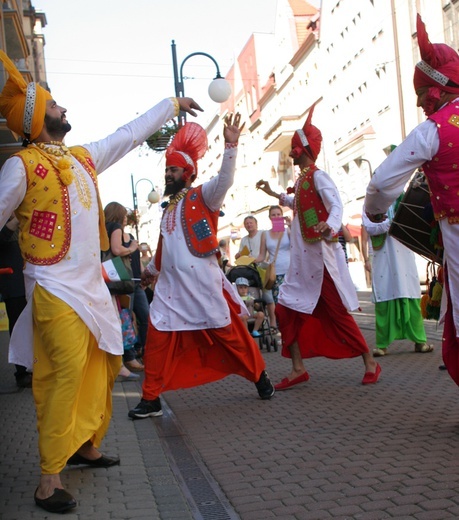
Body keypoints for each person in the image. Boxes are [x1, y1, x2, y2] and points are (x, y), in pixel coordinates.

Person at [0, 49, 202, 513]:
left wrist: (171, 106)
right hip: (53, 288)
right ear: (34, 118)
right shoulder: (20, 165)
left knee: (106, 367)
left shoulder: (84, 158)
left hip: (91, 289)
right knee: (64, 374)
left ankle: (84, 445)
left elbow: (129, 136)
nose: (63, 108)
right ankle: (49, 478)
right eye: (54, 105)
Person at [128, 117, 275, 420]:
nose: (169, 174)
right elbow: (162, 250)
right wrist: (149, 275)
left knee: (231, 336)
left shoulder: (203, 196)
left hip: (202, 285)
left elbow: (225, 180)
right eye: (167, 169)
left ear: (188, 172)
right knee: (156, 338)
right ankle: (151, 398)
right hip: (170, 289)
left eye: (174, 169)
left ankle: (260, 377)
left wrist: (231, 145)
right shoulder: (167, 208)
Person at [255, 102, 381, 390]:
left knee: (337, 314)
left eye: (295, 147)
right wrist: (272, 193)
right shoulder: (301, 183)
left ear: (304, 150)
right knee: (286, 312)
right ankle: (298, 368)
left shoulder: (319, 177)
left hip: (321, 262)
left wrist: (332, 224)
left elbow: (336, 204)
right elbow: (294, 202)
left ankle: (370, 362)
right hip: (302, 266)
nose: (291, 152)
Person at [365, 14, 459, 385]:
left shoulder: (433, 131)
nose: (420, 102)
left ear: (437, 89)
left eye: (420, 93)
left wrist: (374, 212)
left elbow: (382, 182)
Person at [362, 199, 434, 356]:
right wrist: (392, 225)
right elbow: (369, 227)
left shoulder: (406, 198)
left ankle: (420, 342)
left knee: (410, 294)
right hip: (383, 258)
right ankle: (382, 344)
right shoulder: (371, 203)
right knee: (384, 295)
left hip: (405, 256)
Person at [104, 202, 148, 369]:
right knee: (128, 318)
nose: (125, 219)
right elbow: (116, 250)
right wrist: (133, 247)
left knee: (128, 318)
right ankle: (130, 357)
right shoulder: (115, 227)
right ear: (118, 215)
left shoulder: (106, 230)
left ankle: (134, 354)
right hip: (125, 281)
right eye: (123, 215)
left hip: (125, 280)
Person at [0, 215, 31, 387]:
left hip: (32, 281)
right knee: (19, 327)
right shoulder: (6, 220)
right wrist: (13, 222)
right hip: (14, 284)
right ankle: (22, 372)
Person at [234, 215, 278, 330]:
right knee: (252, 295)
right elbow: (240, 255)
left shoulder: (263, 234)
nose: (249, 225)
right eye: (247, 223)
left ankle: (273, 322)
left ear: (256, 223)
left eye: (251, 222)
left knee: (268, 297)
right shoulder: (244, 239)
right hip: (251, 271)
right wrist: (238, 255)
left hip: (263, 268)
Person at [254, 205, 291, 306]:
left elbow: (296, 246)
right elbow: (262, 255)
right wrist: (249, 260)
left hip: (290, 272)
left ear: (282, 216)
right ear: (270, 217)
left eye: (278, 214)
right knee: (279, 304)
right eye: (273, 215)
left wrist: (291, 226)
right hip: (275, 273)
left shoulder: (287, 230)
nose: (276, 217)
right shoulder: (265, 234)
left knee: (292, 303)